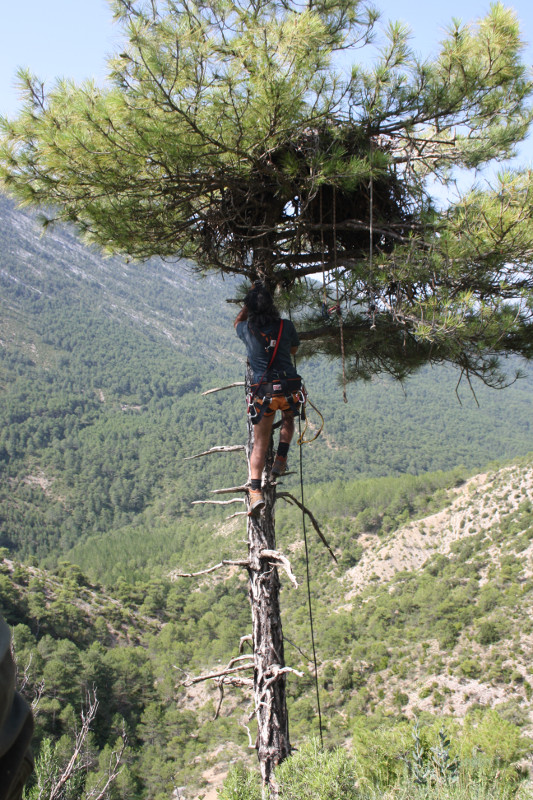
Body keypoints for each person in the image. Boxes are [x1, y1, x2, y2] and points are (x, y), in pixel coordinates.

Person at [234, 283, 302, 515]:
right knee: (288, 420)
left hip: (264, 394)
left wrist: (246, 304)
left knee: (260, 443)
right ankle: (281, 459)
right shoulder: (286, 325)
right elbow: (293, 351)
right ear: (272, 306)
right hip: (288, 389)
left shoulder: (246, 329)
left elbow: (236, 323)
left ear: (250, 309)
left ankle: (255, 492)